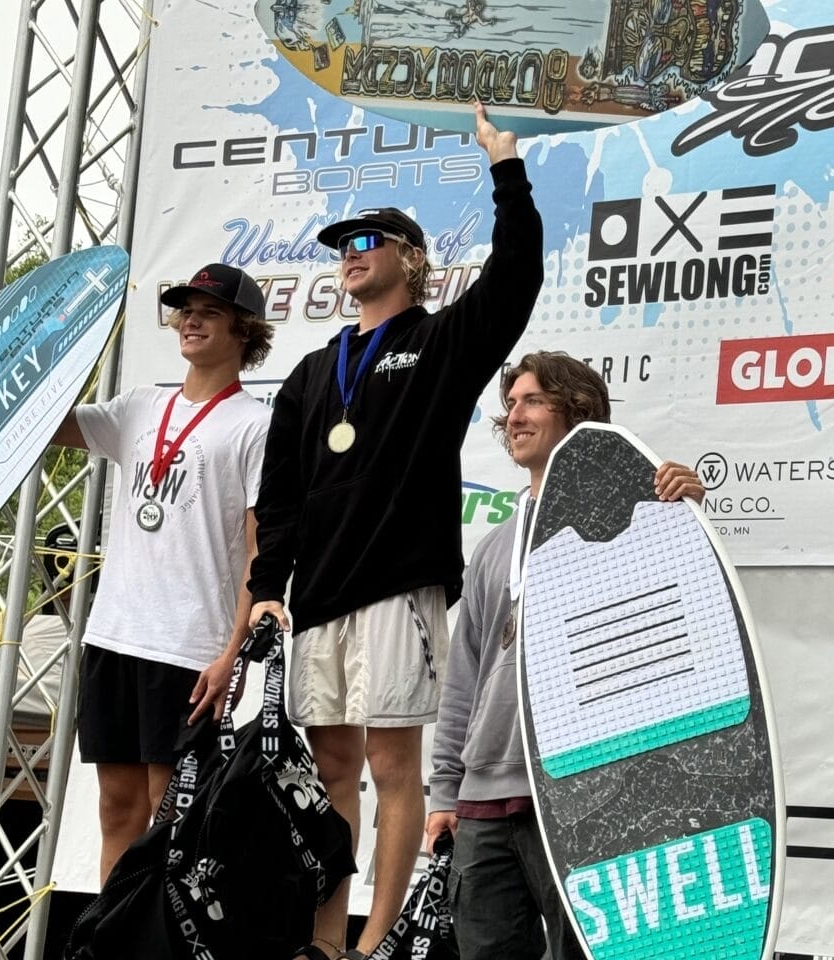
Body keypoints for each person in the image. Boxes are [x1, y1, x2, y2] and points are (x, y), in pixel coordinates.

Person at [247, 102, 544, 960]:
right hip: (322, 598)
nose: (351, 255)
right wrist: (270, 588)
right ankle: (327, 938)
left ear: (408, 260)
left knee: (391, 770)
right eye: (343, 245)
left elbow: (515, 280)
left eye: (368, 241)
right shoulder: (310, 374)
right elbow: (282, 497)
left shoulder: (442, 343)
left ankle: (378, 938)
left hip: (398, 591)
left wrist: (506, 170)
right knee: (330, 771)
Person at [0, 264, 274, 883]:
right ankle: (111, 939)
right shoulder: (140, 406)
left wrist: (233, 655)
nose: (191, 320)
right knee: (116, 810)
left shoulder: (255, 424)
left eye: (209, 312)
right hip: (113, 637)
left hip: (188, 649)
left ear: (244, 330)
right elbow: (40, 424)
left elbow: (258, 555)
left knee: (171, 817)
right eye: (185, 309)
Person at [426, 351, 704, 960]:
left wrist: (683, 514)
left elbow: (676, 637)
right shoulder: (495, 544)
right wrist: (445, 793)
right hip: (484, 796)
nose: (513, 416)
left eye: (531, 401)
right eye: (511, 404)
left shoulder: (633, 521)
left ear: (576, 412)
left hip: (587, 790)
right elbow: (463, 680)